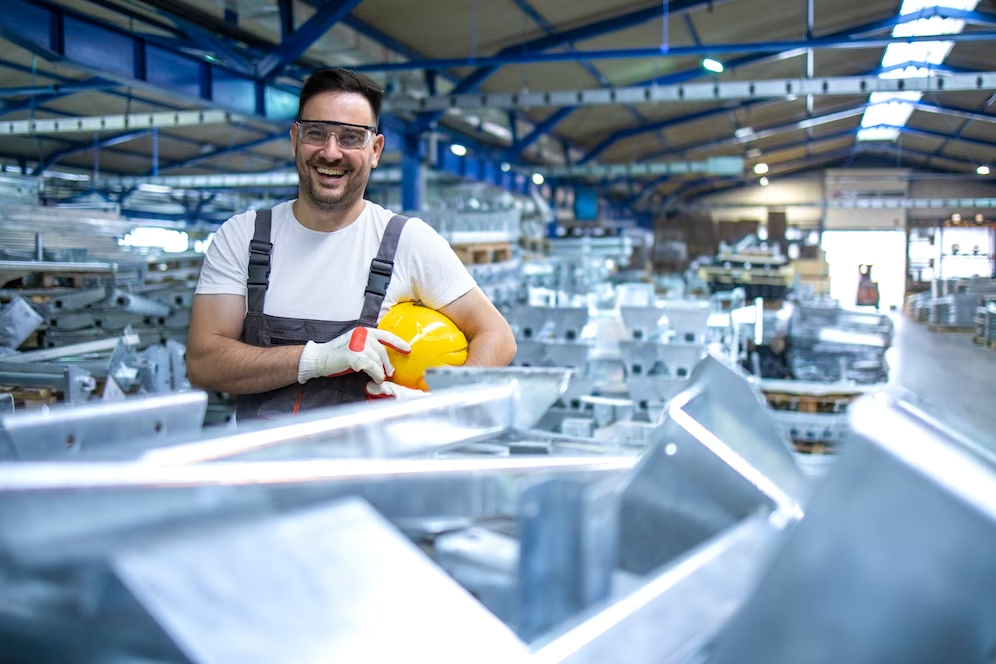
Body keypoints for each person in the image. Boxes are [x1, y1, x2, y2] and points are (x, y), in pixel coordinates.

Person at [186, 68, 517, 420]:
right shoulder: (244, 236)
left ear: (375, 150)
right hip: (262, 471)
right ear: (295, 138)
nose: (331, 152)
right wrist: (316, 360)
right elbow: (204, 363)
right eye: (316, 133)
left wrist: (438, 402)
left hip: (370, 472)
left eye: (350, 137)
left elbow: (497, 337)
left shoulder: (407, 241)